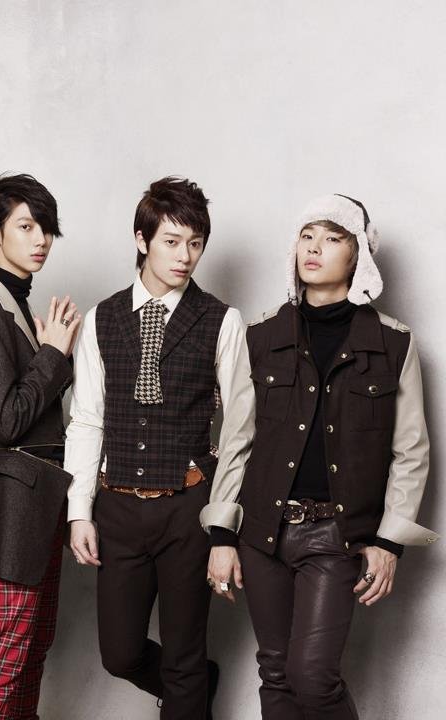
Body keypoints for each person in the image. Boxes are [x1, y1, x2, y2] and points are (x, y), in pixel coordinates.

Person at [203, 193, 439, 719]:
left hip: (336, 535)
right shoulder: (261, 336)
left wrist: (389, 543)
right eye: (307, 236)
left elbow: (411, 451)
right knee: (276, 672)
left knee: (313, 678)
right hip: (262, 532)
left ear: (358, 257)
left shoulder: (394, 344)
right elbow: (237, 439)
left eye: (332, 239)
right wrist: (221, 535)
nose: (314, 248)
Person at [65, 177, 253, 719]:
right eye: (172, 241)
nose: (185, 256)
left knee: (184, 657)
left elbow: (240, 430)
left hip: (188, 508)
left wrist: (224, 525)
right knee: (120, 653)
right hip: (118, 507)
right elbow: (87, 418)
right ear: (142, 239)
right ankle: (197, 688)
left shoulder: (222, 320)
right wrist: (79, 511)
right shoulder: (101, 318)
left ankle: (190, 689)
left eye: (195, 243)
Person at [0, 174, 80, 719]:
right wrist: (53, 353)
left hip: (39, 499)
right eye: (27, 227)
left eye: (47, 229)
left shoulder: (14, 306)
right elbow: (7, 420)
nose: (41, 240)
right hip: (13, 504)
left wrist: (49, 352)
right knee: (6, 649)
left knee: (32, 646)